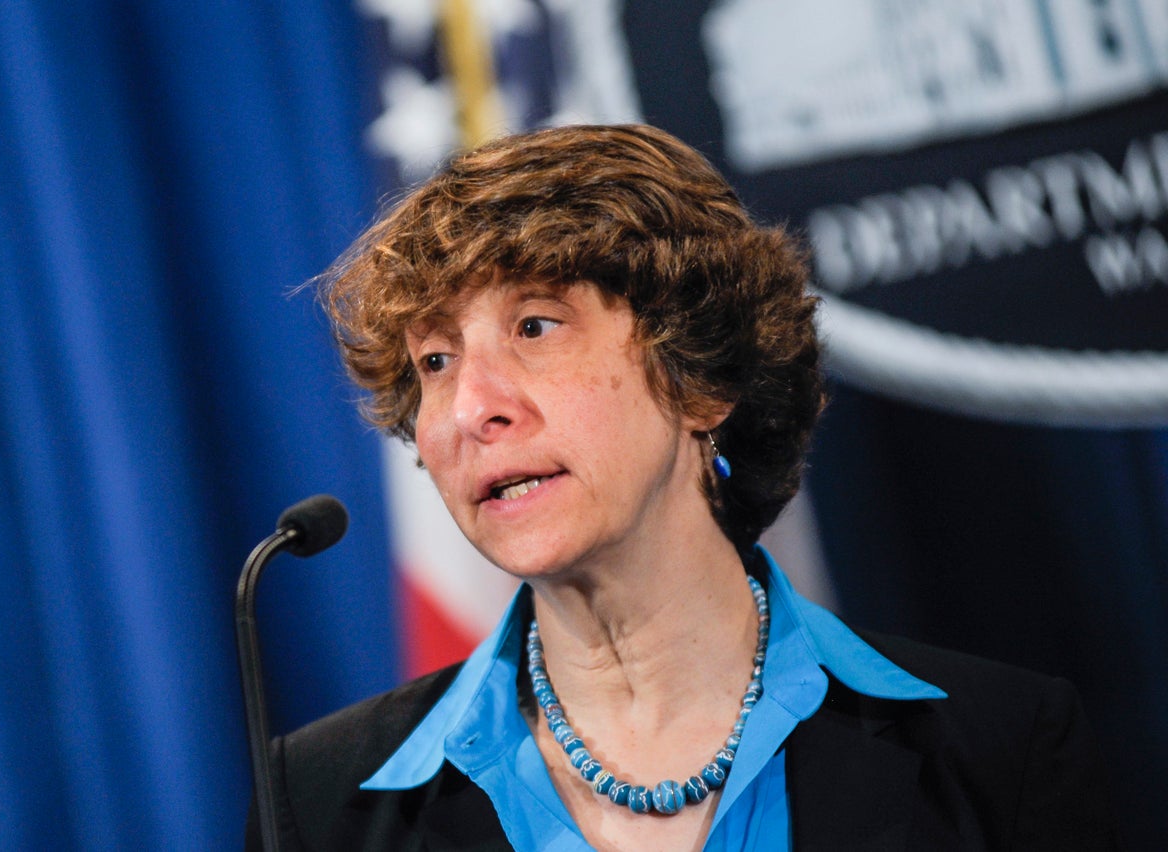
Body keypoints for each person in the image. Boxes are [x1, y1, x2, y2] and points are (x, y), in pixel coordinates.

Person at [247, 124, 1118, 850]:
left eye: (537, 326)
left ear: (702, 378)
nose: (472, 406)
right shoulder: (321, 804)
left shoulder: (997, 747)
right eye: (434, 360)